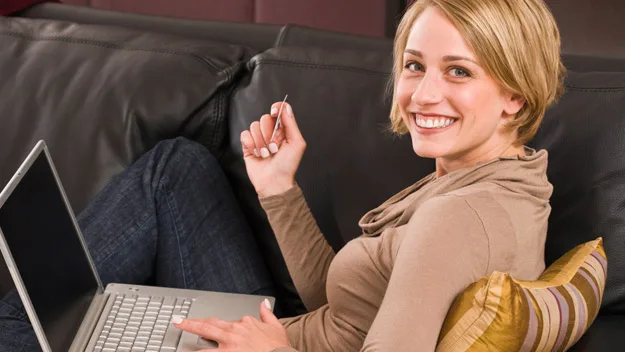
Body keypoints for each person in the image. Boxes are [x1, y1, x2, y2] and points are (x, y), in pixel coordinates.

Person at [0, 0, 564, 351]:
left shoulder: (457, 215)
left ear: (514, 94)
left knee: (47, 328)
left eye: (458, 71)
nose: (423, 94)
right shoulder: (505, 176)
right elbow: (344, 307)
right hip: (287, 333)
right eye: (415, 65)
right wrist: (279, 190)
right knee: (176, 168)